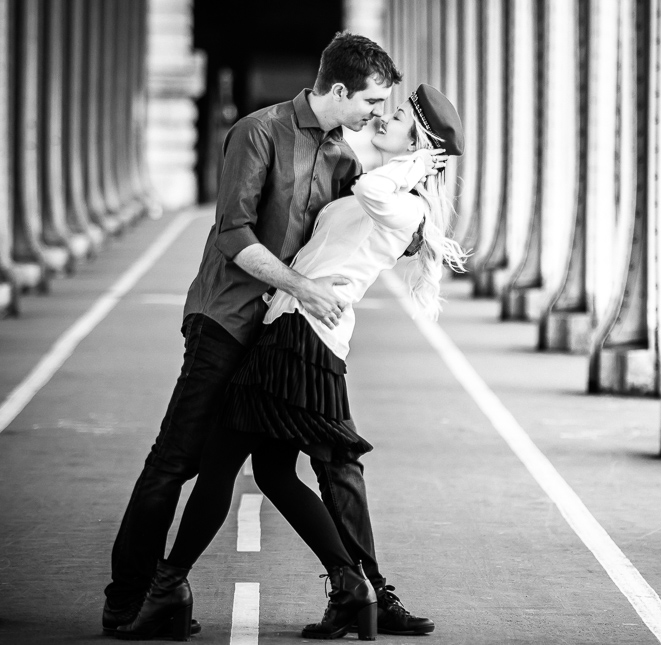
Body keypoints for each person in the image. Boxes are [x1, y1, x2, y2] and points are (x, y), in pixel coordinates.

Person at [103, 32, 433, 638]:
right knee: (178, 462)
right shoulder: (258, 132)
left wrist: (415, 225)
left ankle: (359, 587)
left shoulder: (344, 159)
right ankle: (128, 598)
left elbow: (359, 228)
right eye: (372, 103)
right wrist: (304, 288)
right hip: (226, 319)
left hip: (282, 337)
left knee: (305, 463)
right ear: (339, 90)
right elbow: (233, 234)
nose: (377, 116)